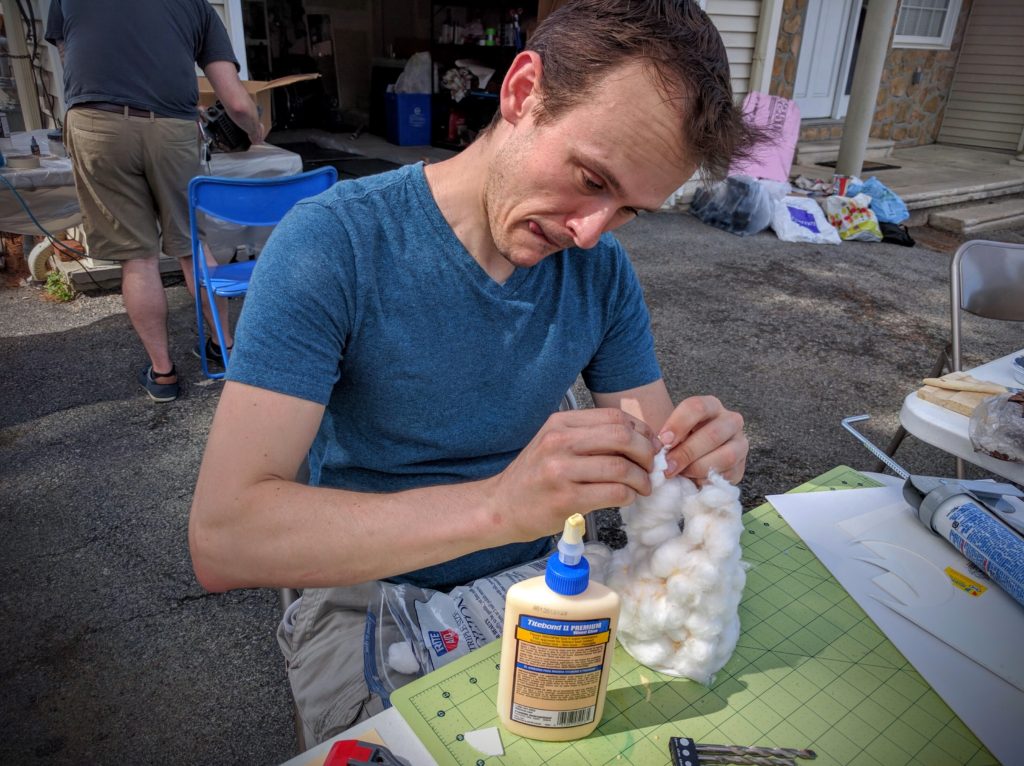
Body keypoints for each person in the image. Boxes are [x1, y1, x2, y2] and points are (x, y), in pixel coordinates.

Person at [189, 0, 756, 746]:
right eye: (590, 177)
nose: (590, 232)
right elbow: (226, 539)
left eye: (629, 210)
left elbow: (656, 446)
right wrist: (500, 506)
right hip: (370, 592)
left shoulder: (599, 271)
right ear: (522, 91)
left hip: (547, 577)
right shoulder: (335, 247)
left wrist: (697, 458)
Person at [45, 0, 264, 403]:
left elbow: (70, 55)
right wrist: (256, 129)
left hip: (96, 122)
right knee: (191, 247)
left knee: (138, 257)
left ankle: (163, 375)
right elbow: (235, 102)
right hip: (172, 127)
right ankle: (225, 348)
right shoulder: (196, 6)